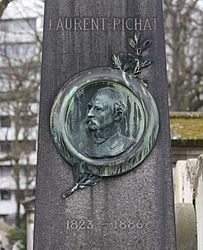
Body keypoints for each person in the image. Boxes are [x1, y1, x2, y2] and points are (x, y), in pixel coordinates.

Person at [82, 86, 134, 157]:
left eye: (98, 109)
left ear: (117, 115)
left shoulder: (127, 145)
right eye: (90, 107)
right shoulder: (82, 145)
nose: (89, 114)